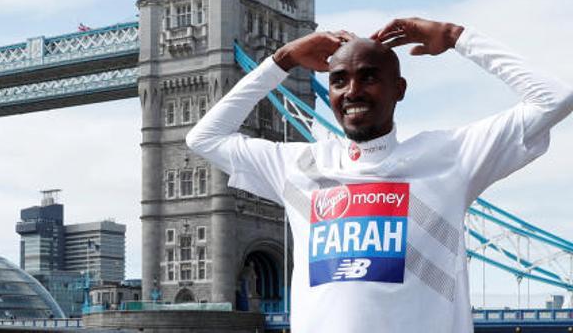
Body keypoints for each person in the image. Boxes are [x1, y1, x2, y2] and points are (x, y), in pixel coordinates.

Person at [186, 17, 573, 332]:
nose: (352, 90)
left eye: (369, 77)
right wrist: (283, 59)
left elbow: (555, 98)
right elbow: (204, 137)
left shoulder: (451, 158)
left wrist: (457, 37)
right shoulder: (301, 166)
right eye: (338, 80)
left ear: (399, 89)